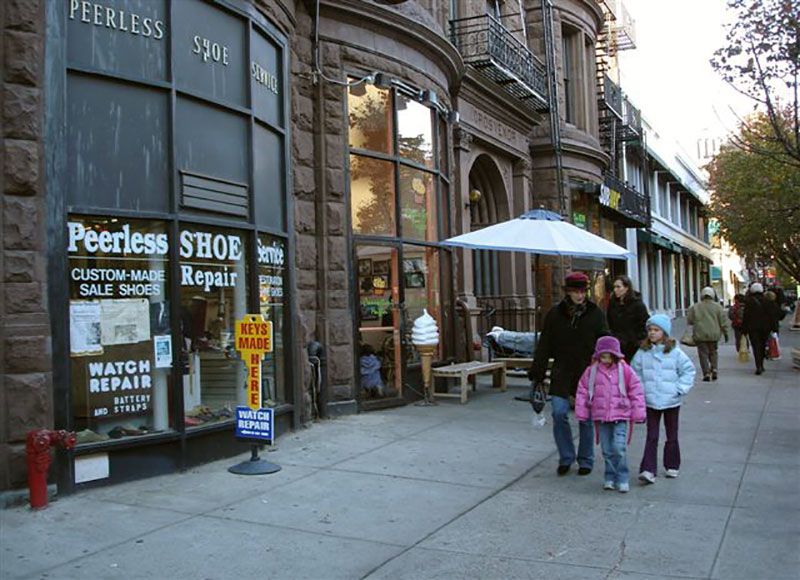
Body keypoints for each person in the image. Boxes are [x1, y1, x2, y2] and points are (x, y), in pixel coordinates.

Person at [529, 271, 609, 476]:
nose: (580, 296)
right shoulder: (555, 314)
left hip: (587, 372)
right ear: (568, 292)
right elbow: (545, 344)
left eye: (583, 291)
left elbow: (605, 341)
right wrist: (538, 372)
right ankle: (566, 456)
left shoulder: (595, 313)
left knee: (586, 418)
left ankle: (586, 459)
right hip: (562, 370)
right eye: (575, 292)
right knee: (559, 412)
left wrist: (606, 366)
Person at [574, 336, 646, 493]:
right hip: (601, 416)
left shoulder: (624, 370)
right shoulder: (591, 371)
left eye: (608, 356)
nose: (605, 360)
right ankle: (610, 476)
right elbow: (582, 391)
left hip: (620, 414)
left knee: (619, 447)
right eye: (602, 356)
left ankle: (622, 477)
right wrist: (582, 412)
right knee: (606, 449)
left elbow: (636, 390)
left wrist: (638, 412)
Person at [631, 314, 696, 484]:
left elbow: (688, 370)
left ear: (664, 332)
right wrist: (639, 392)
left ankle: (672, 464)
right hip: (650, 400)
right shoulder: (642, 352)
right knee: (651, 435)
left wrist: (680, 389)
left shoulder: (675, 352)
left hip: (671, 400)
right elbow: (634, 373)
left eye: (656, 330)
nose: (652, 333)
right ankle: (648, 469)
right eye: (650, 330)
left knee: (671, 434)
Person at [687, 287, 730, 381]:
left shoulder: (695, 307)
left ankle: (706, 372)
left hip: (700, 334)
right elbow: (723, 322)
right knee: (713, 352)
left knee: (703, 354)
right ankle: (714, 368)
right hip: (714, 334)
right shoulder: (718, 307)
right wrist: (726, 333)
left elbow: (690, 320)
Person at [606, 275, 650, 362]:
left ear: (626, 288)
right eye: (614, 287)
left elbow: (645, 324)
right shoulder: (613, 304)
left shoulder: (637, 305)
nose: (615, 290)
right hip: (617, 345)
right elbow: (609, 322)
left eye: (618, 287)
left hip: (633, 346)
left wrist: (637, 340)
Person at [742, 283, 772, 375]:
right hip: (765, 328)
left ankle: (758, 365)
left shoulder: (749, 302)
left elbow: (746, 316)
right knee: (763, 345)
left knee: (756, 347)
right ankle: (762, 364)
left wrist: (744, 329)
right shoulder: (767, 301)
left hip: (753, 328)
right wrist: (773, 327)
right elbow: (772, 315)